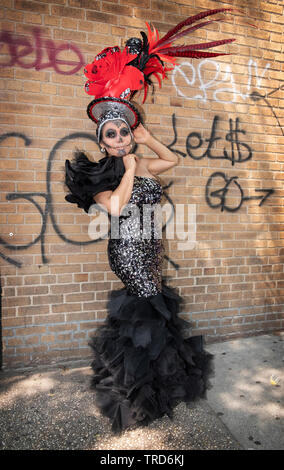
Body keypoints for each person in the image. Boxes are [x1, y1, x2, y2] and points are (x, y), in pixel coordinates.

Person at [65, 8, 236, 432]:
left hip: (152, 247)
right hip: (127, 249)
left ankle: (150, 384)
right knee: (146, 315)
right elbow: (117, 208)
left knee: (151, 312)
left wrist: (146, 139)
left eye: (123, 131)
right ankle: (137, 396)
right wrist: (126, 169)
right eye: (113, 134)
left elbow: (172, 159)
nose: (120, 138)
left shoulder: (138, 158)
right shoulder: (100, 173)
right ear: (100, 139)